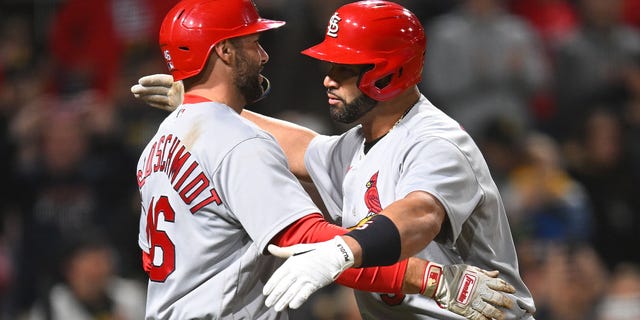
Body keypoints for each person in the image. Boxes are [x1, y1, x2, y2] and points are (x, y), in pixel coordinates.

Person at [132, 1, 529, 319]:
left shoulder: (434, 141)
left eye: (344, 68)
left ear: (387, 71)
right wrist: (206, 106)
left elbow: (419, 216)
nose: (328, 78)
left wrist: (345, 253)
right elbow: (299, 146)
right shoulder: (358, 143)